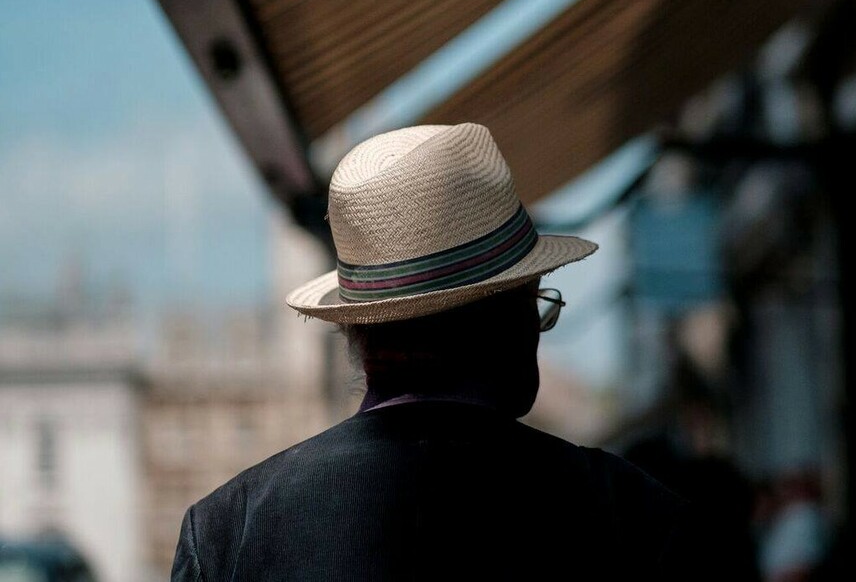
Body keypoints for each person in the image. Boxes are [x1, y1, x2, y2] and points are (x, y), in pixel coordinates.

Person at [171, 123, 709, 581]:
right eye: (538, 303)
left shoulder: (228, 534)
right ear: (508, 320)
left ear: (359, 332)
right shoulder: (632, 519)